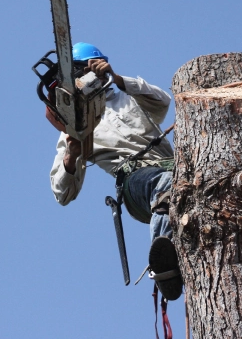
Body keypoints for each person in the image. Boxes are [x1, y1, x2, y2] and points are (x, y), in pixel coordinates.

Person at [49, 42, 182, 300]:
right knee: (165, 183)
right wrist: (71, 155)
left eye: (90, 70)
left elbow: (163, 102)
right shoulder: (76, 125)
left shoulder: (126, 95)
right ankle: (165, 266)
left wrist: (118, 79)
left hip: (174, 169)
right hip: (135, 180)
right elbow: (62, 193)